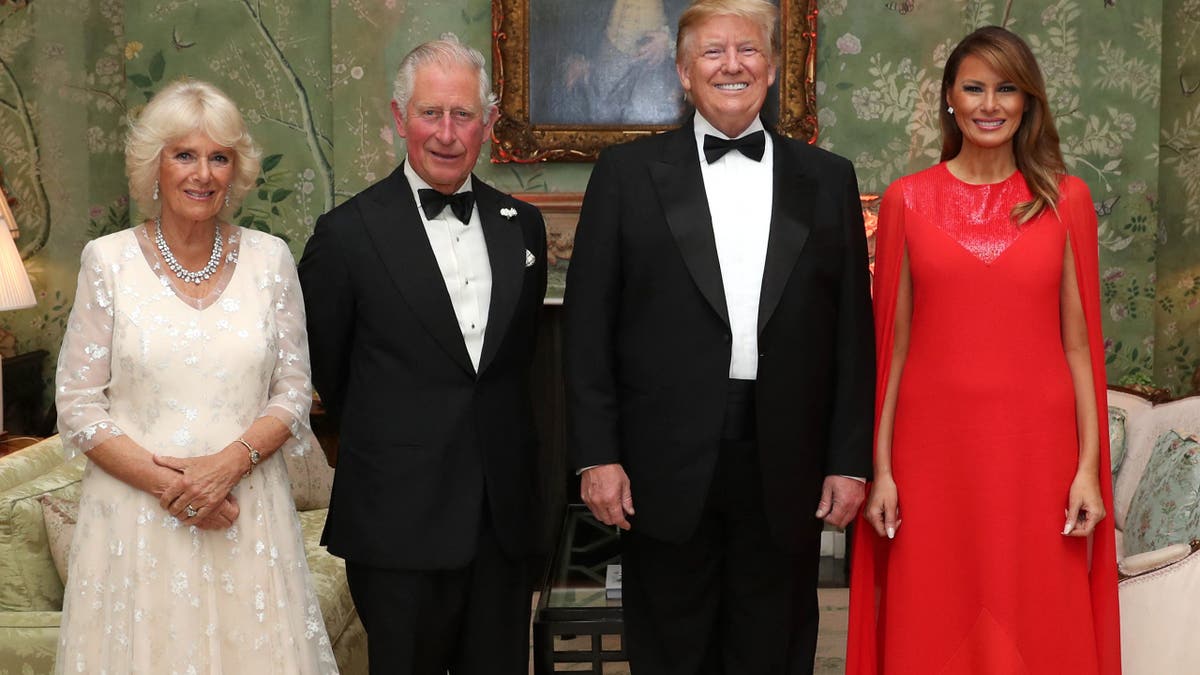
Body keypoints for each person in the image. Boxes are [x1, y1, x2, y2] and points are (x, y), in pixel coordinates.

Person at [563, 0, 875, 672]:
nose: (732, 65)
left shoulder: (828, 179)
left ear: (771, 68)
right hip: (659, 469)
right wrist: (597, 455)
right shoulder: (625, 176)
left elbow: (853, 333)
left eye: (748, 49)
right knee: (671, 653)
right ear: (683, 72)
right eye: (712, 51)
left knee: (774, 651)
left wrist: (849, 459)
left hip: (787, 463)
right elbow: (587, 330)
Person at [845, 26, 1121, 675]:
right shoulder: (907, 199)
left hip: (1037, 454)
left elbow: (1079, 348)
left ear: (1028, 102)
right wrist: (881, 469)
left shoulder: (1066, 199)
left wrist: (1088, 468)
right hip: (931, 454)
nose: (990, 104)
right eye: (974, 88)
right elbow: (893, 349)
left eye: (1007, 89)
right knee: (933, 611)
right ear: (949, 98)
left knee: (1037, 614)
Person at [54, 79, 337, 673]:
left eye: (219, 157)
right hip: (136, 521)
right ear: (154, 165)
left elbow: (292, 391)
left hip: (247, 513)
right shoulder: (107, 262)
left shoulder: (270, 259)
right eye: (184, 154)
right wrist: (180, 491)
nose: (202, 174)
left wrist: (227, 466)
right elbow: (77, 405)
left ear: (236, 170)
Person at [298, 33, 548, 675]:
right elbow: (332, 372)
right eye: (430, 113)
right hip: (397, 520)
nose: (446, 133)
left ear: (487, 123)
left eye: (463, 114)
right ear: (400, 117)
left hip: (501, 520)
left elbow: (518, 365)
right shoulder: (346, 236)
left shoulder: (523, 225)